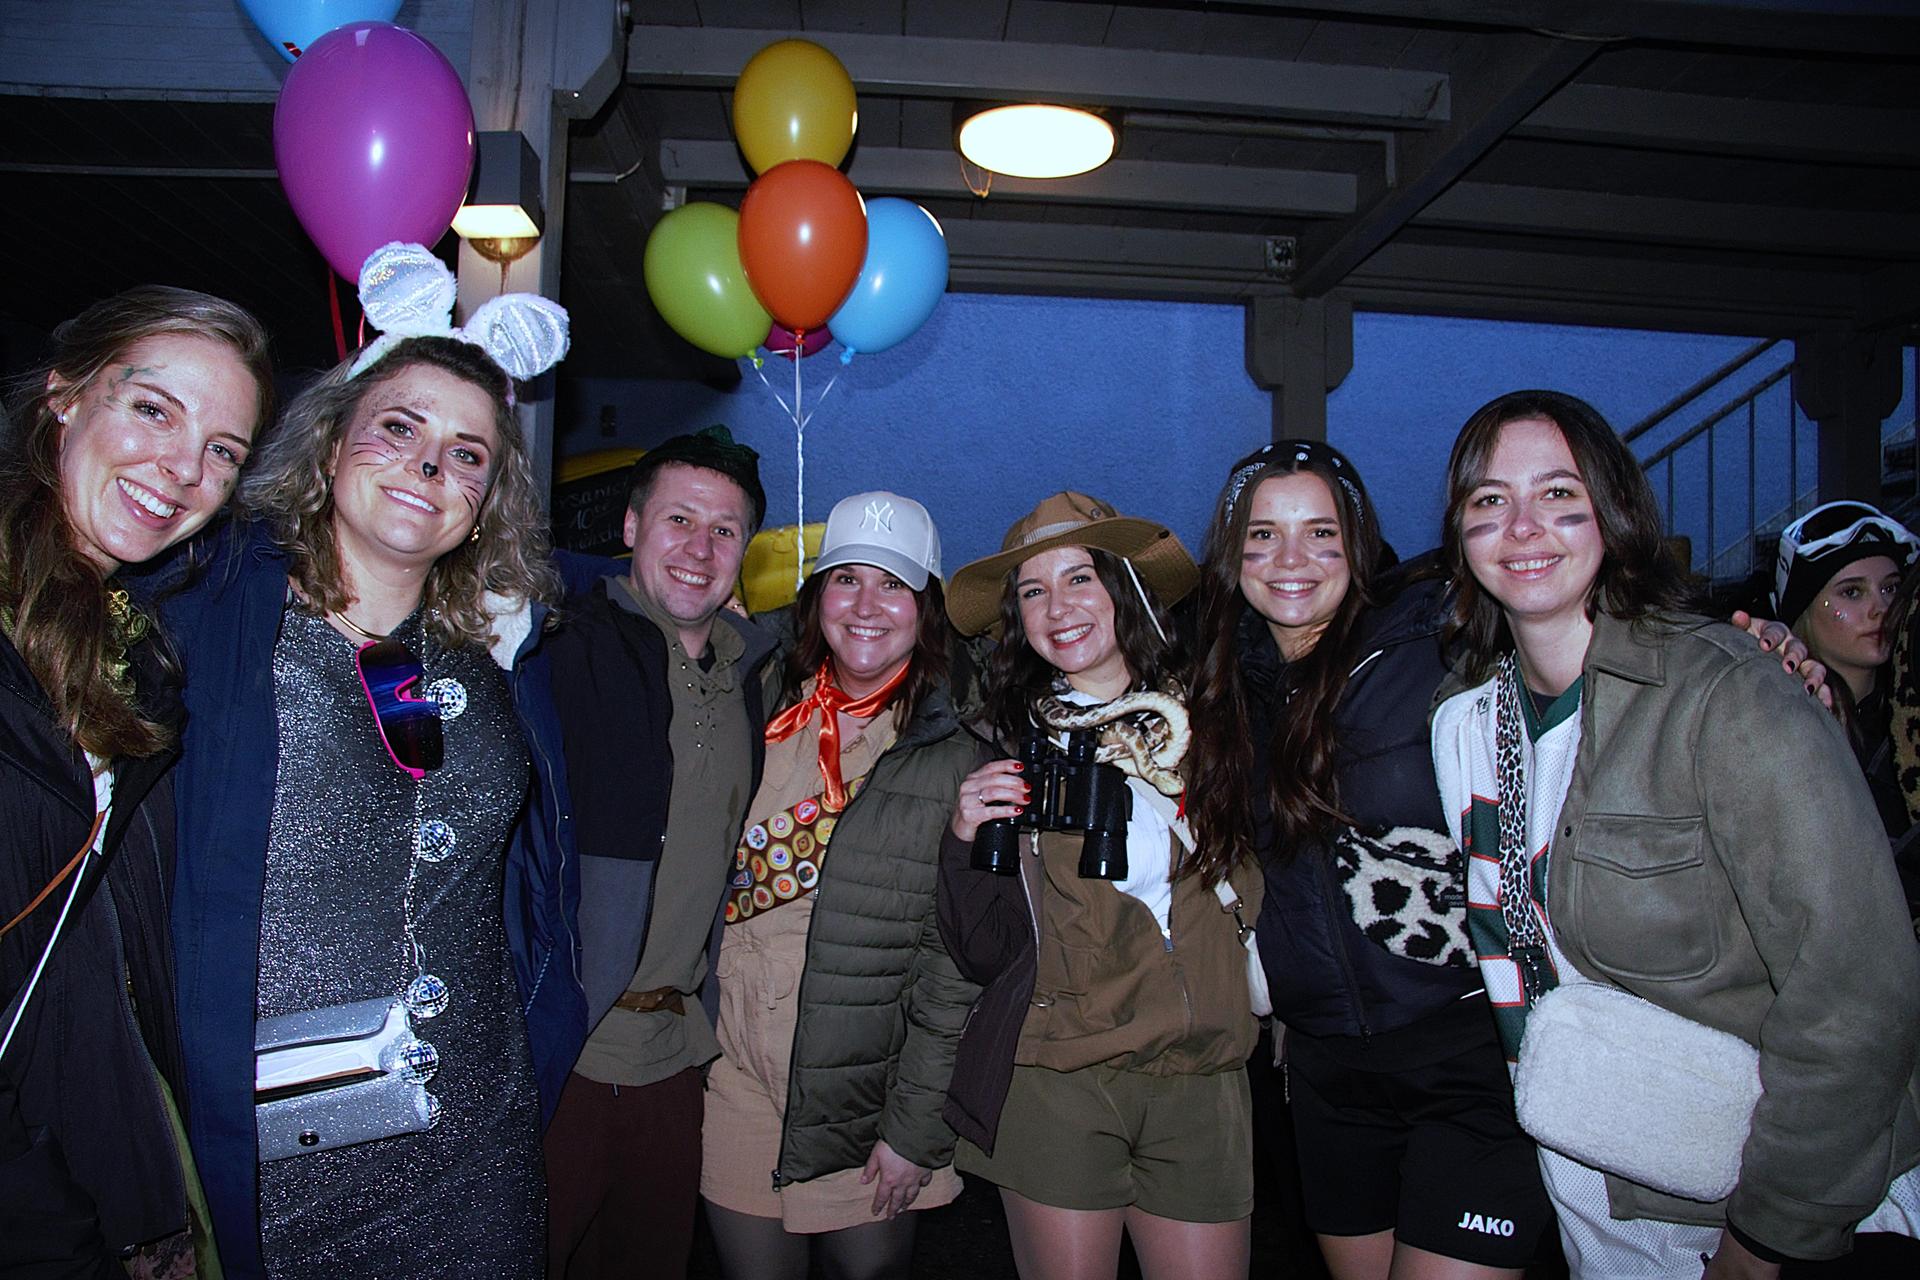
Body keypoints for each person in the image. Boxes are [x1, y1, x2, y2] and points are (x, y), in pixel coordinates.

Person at [1430, 389, 1920, 1279]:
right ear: (1461, 535)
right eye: (1489, 500)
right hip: (1593, 1188)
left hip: (1758, 1202)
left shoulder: (1726, 695)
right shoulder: (1464, 724)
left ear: (1613, 515)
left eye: (1560, 496)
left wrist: (1768, 1236)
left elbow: (1857, 991)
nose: (1525, 527)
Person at [166, 257, 577, 1279]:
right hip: (270, 1163)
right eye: (401, 427)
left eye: (467, 453)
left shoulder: (492, 666)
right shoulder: (210, 630)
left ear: (484, 503)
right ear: (334, 438)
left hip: (472, 1145)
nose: (430, 465)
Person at [1184, 440, 1552, 1280]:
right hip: (1322, 1071)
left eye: (1321, 533)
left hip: (1466, 1050)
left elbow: (1583, 654)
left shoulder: (1438, 642)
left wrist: (1762, 646)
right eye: (1262, 536)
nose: (1292, 561)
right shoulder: (1220, 691)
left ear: (1358, 544)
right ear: (1232, 552)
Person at [0, 286, 272, 1277]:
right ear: (64, 396)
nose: (183, 467)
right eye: (154, 408)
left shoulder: (130, 655)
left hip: (113, 1167)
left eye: (223, 449)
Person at [937, 492, 1263, 1280]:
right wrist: (962, 839)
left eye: (1080, 578)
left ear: (1125, 591)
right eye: (1033, 590)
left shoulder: (1219, 726)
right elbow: (979, 951)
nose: (1059, 607)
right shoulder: (1003, 745)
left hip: (1205, 1072)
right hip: (1061, 1075)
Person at [700, 490, 979, 1280]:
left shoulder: (955, 746)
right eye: (845, 579)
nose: (865, 606)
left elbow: (952, 966)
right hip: (740, 1076)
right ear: (814, 595)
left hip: (867, 1099)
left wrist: (915, 1126)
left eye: (892, 585)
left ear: (926, 607)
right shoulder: (758, 703)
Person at [541, 425, 782, 1280]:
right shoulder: (558, 645)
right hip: (559, 1052)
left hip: (678, 1058)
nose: (699, 547)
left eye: (724, 531)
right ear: (631, 528)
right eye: (678, 519)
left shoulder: (753, 672)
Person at [1774, 500, 1917, 846]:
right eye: (1852, 592)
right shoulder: (1783, 718)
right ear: (1803, 612)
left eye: (1891, 588)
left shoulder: (1906, 718)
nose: (1880, 609)